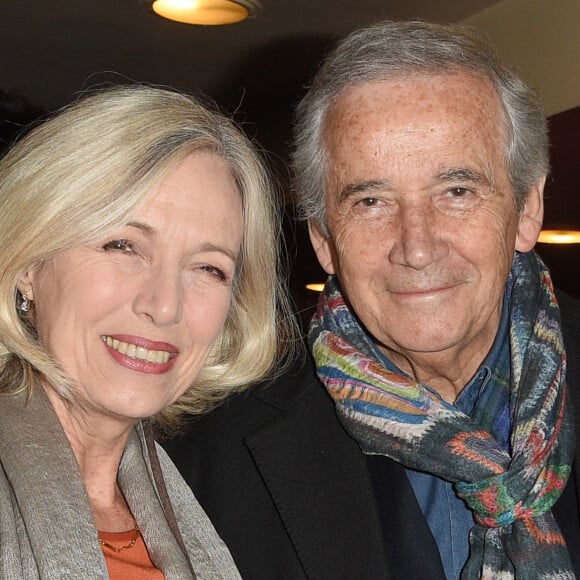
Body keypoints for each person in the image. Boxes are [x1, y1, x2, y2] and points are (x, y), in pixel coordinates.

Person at [166, 20, 580, 579]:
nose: (416, 247)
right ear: (322, 238)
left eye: (456, 192)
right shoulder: (206, 458)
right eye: (370, 201)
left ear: (527, 208)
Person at [0, 84, 294, 579]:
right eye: (123, 245)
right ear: (29, 261)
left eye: (208, 268)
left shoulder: (199, 515)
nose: (164, 305)